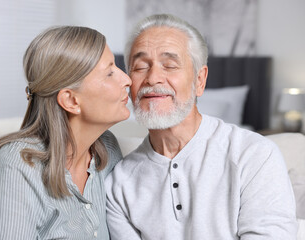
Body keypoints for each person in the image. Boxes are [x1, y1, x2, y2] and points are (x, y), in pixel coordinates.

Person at [105, 14, 297, 239]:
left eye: (169, 65)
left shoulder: (253, 154)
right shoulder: (119, 182)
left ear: (200, 80)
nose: (153, 78)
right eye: (140, 67)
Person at [0, 26, 131, 239]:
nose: (127, 79)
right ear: (71, 100)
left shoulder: (106, 148)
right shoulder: (17, 166)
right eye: (110, 73)